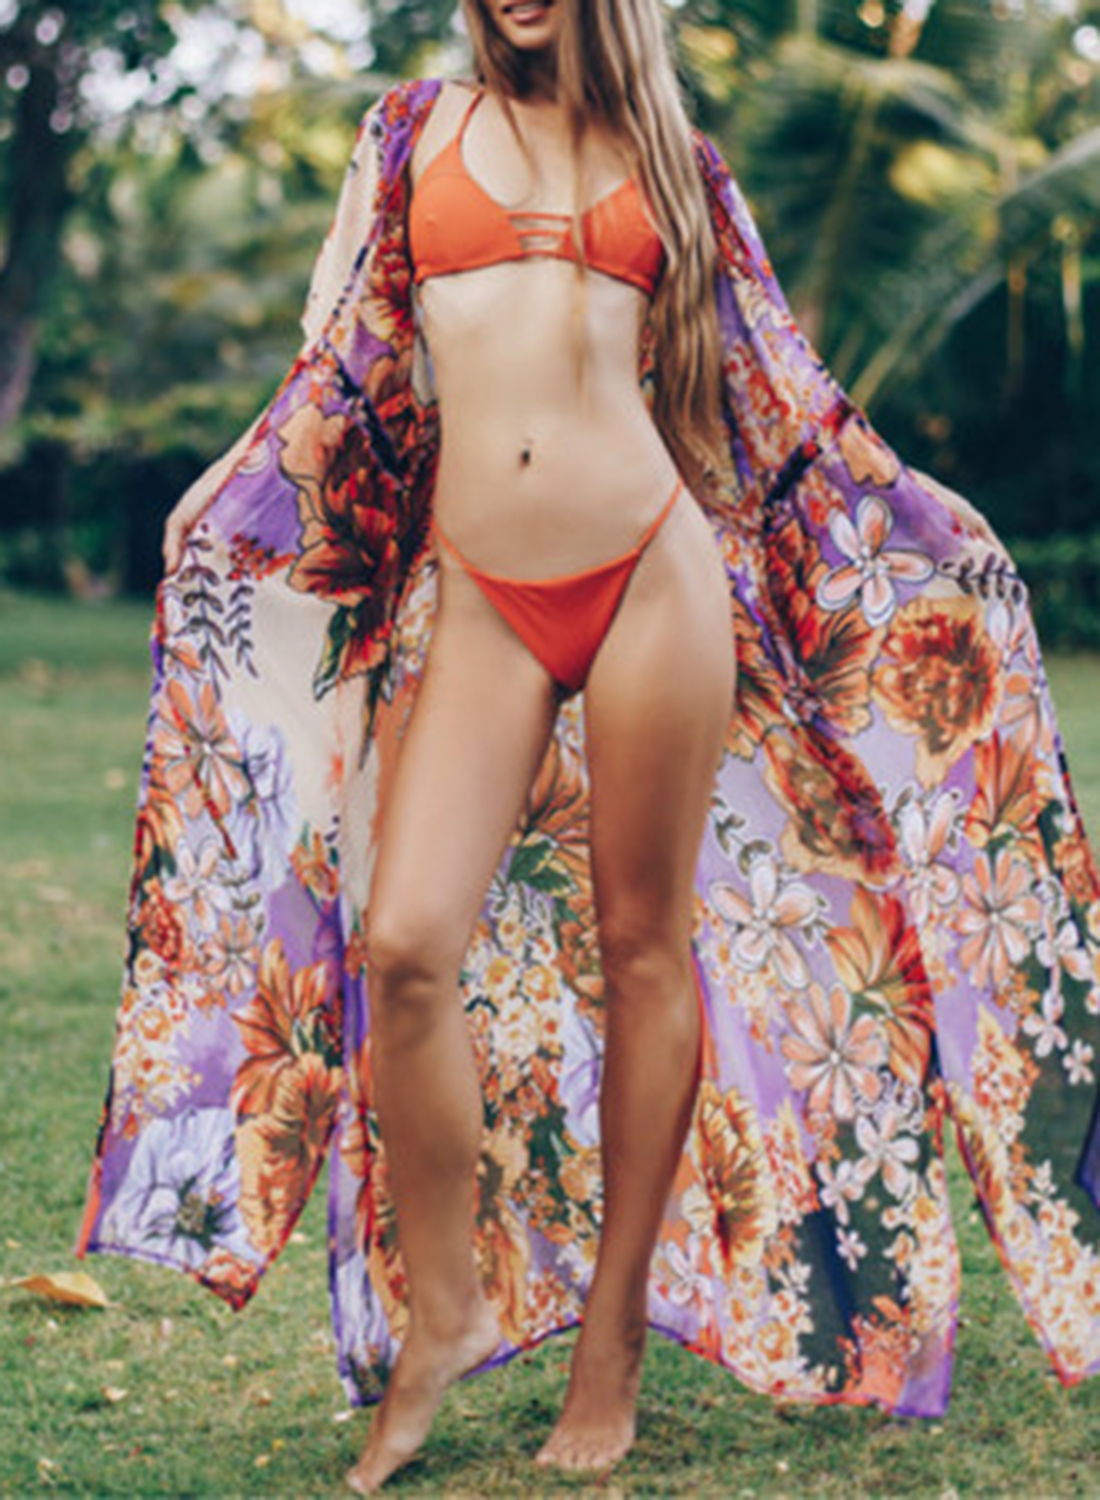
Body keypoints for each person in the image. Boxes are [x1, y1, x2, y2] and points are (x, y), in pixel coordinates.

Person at [76, 1, 1100, 1494]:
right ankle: (446, 1312)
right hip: (483, 589)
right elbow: (338, 356)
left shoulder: (673, 158)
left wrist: (924, 521)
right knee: (405, 948)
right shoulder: (409, 135)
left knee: (644, 949)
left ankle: (612, 1336)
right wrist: (233, 476)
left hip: (649, 573)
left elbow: (779, 391)